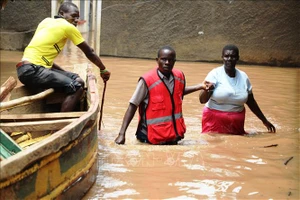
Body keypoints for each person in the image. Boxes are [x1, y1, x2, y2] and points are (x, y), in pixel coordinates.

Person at [16, 2, 110, 112]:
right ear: (62, 13)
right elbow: (89, 53)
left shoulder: (45, 21)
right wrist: (103, 69)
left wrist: (66, 75)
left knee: (77, 80)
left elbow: (46, 62)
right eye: (73, 16)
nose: (76, 20)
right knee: (77, 87)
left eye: (77, 17)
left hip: (24, 70)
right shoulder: (68, 27)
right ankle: (61, 122)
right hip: (34, 70)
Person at [115, 46, 209, 145]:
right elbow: (133, 105)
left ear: (174, 61)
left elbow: (178, 93)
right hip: (149, 138)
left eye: (170, 60)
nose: (167, 63)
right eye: (164, 59)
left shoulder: (179, 76)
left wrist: (200, 86)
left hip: (172, 137)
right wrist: (122, 134)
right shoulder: (147, 81)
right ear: (157, 60)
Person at [199, 44, 276, 134]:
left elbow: (251, 102)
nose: (229, 59)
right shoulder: (214, 74)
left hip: (236, 122)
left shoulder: (244, 77)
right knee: (214, 146)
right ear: (222, 58)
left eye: (233, 56)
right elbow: (202, 100)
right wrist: (207, 89)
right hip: (214, 120)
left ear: (237, 58)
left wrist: (264, 121)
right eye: (226, 56)